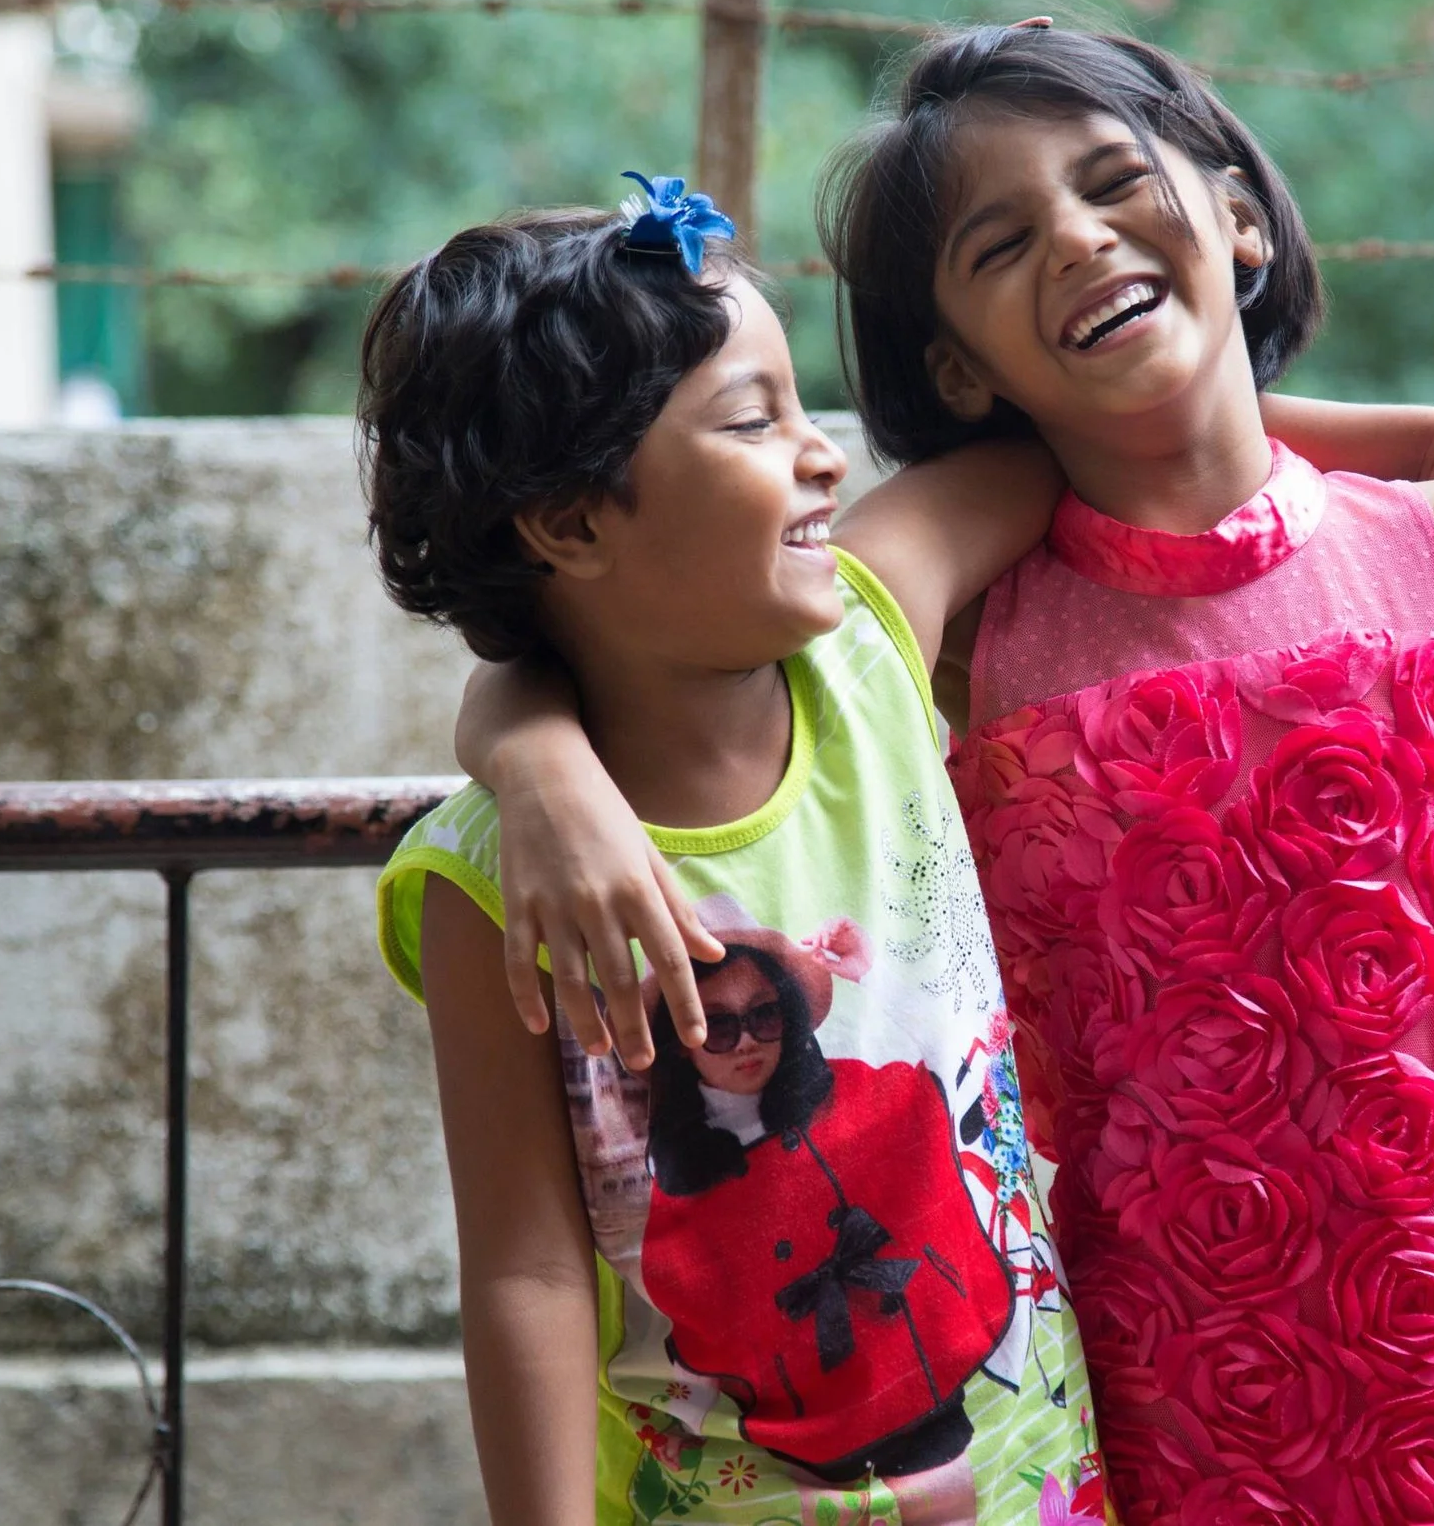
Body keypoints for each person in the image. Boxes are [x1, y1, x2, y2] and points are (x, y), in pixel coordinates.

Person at [468, 25, 1434, 1526]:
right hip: (1157, 1412)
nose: (1077, 240)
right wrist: (531, 756)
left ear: (1241, 217)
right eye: (1002, 244)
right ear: (956, 364)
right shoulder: (957, 627)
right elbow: (622, 641)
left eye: (1111, 183)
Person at [364, 189, 1111, 1526]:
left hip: (1032, 1491)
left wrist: (1410, 444)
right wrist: (529, 756)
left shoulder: (872, 652)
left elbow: (1073, 440)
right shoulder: (488, 883)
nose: (825, 455)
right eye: (753, 420)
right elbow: (529, 1271)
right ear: (571, 525)